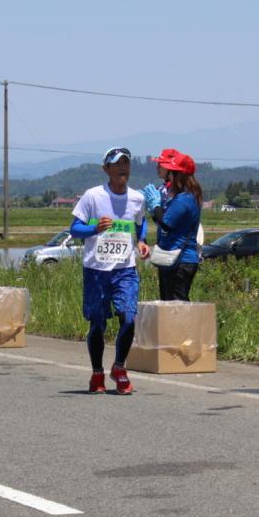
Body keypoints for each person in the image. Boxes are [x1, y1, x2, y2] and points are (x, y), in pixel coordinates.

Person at [70, 147, 150, 395]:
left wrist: (141, 241)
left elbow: (141, 221)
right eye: (117, 164)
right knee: (97, 324)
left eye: (126, 164)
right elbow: (74, 229)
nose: (122, 168)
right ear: (106, 169)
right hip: (96, 270)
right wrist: (94, 230)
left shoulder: (137, 198)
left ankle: (119, 367)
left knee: (128, 317)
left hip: (124, 268)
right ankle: (97, 373)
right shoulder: (93, 197)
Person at [142, 149, 203, 301]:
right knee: (169, 303)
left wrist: (155, 206)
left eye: (171, 173)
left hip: (180, 260)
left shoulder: (184, 199)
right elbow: (165, 220)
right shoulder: (185, 196)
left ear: (177, 175)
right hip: (175, 258)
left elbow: (167, 224)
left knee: (176, 305)